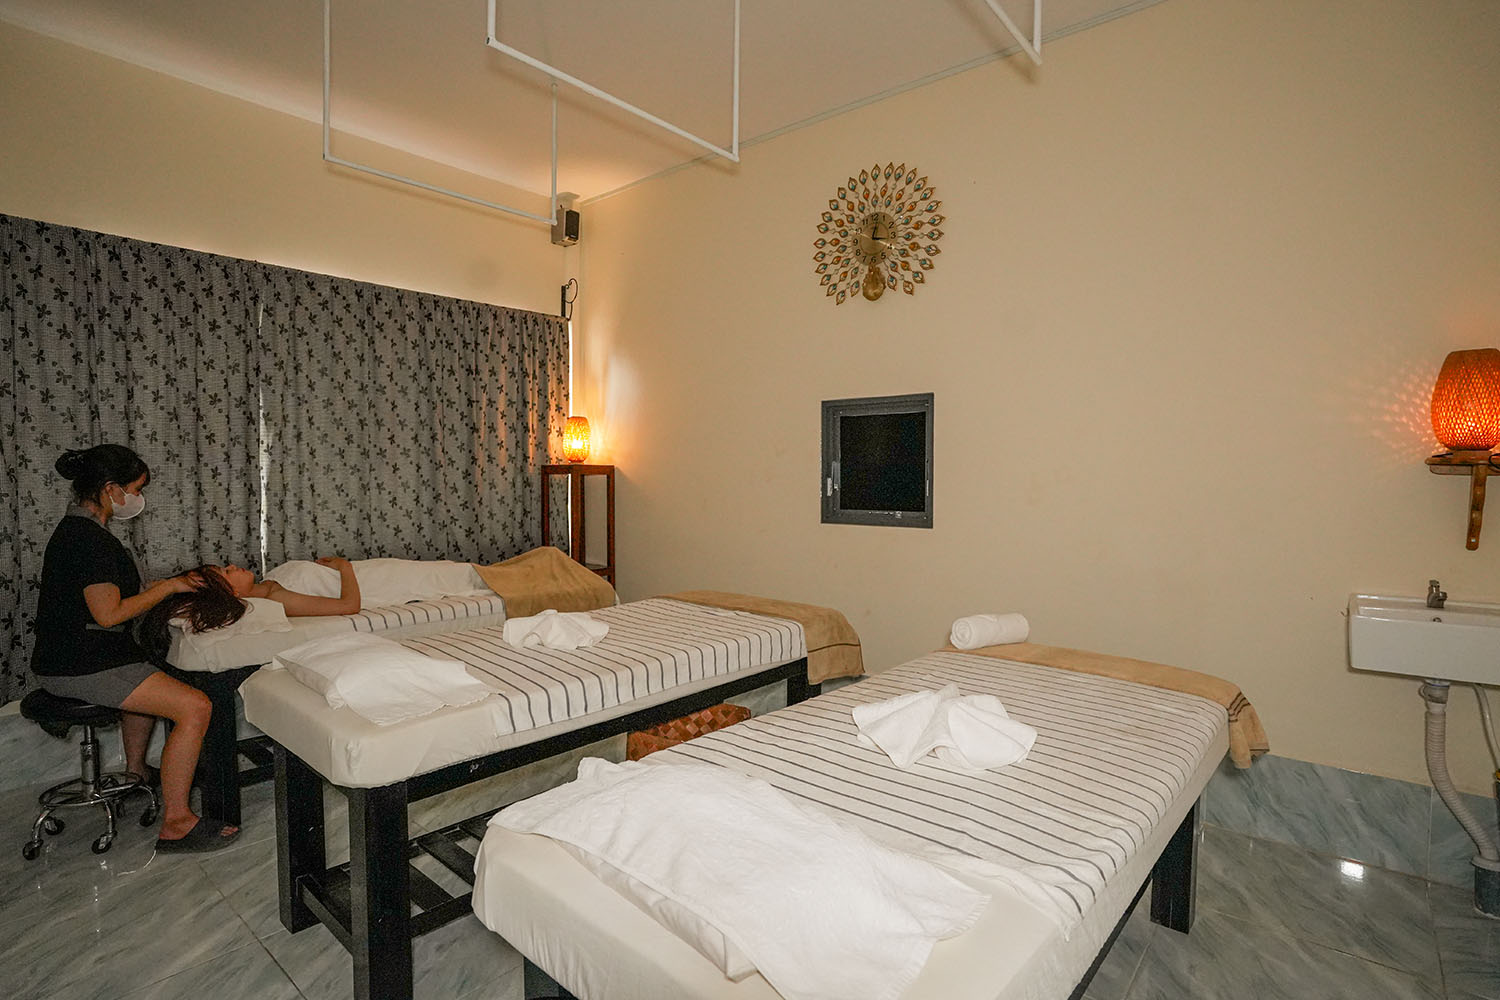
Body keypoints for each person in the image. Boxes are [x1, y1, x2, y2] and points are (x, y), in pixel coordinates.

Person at [32, 444, 239, 852]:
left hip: (72, 655)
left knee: (151, 674)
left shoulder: (78, 531)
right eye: (136, 488)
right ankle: (177, 824)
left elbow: (106, 597)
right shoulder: (89, 541)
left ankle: (137, 773)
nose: (138, 498)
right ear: (111, 489)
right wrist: (168, 588)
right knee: (196, 706)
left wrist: (158, 589)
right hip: (79, 663)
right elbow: (109, 614)